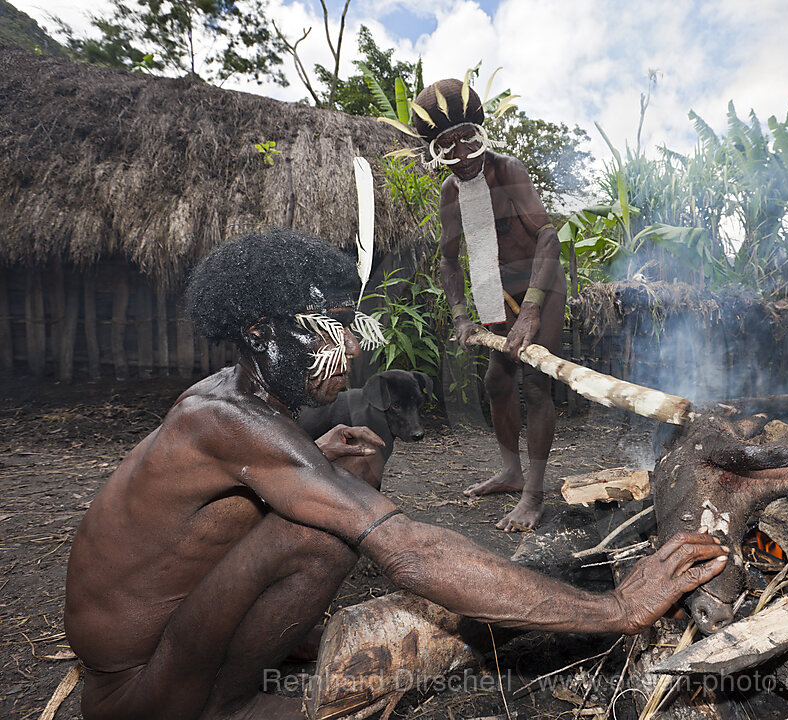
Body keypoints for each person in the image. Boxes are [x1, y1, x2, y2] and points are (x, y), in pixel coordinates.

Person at [63, 228, 729, 720]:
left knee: (347, 465)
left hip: (171, 647)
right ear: (263, 333)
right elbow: (405, 550)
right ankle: (229, 707)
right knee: (324, 530)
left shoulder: (244, 402)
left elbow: (213, 521)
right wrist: (613, 607)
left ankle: (255, 666)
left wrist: (322, 462)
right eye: (330, 328)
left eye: (351, 328)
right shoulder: (218, 419)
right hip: (142, 693)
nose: (350, 347)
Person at [413, 78, 565, 532]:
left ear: (481, 133)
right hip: (496, 297)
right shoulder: (449, 195)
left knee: (536, 386)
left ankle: (534, 496)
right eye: (448, 147)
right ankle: (512, 472)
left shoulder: (509, 170)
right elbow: (449, 260)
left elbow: (547, 235)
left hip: (543, 289)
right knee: (497, 384)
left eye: (467, 140)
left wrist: (533, 308)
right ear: (435, 153)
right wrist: (460, 313)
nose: (462, 155)